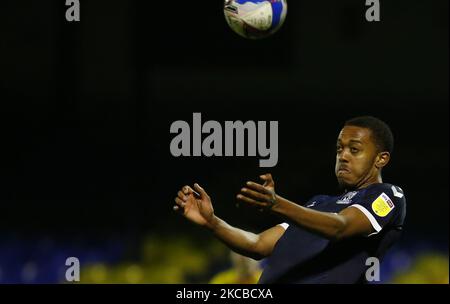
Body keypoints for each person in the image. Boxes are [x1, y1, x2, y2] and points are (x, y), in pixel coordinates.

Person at [173, 116, 406, 283]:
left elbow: (340, 227)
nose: (343, 156)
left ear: (381, 159)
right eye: (339, 149)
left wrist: (278, 204)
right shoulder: (317, 203)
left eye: (354, 150)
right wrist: (212, 222)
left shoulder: (387, 195)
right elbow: (258, 244)